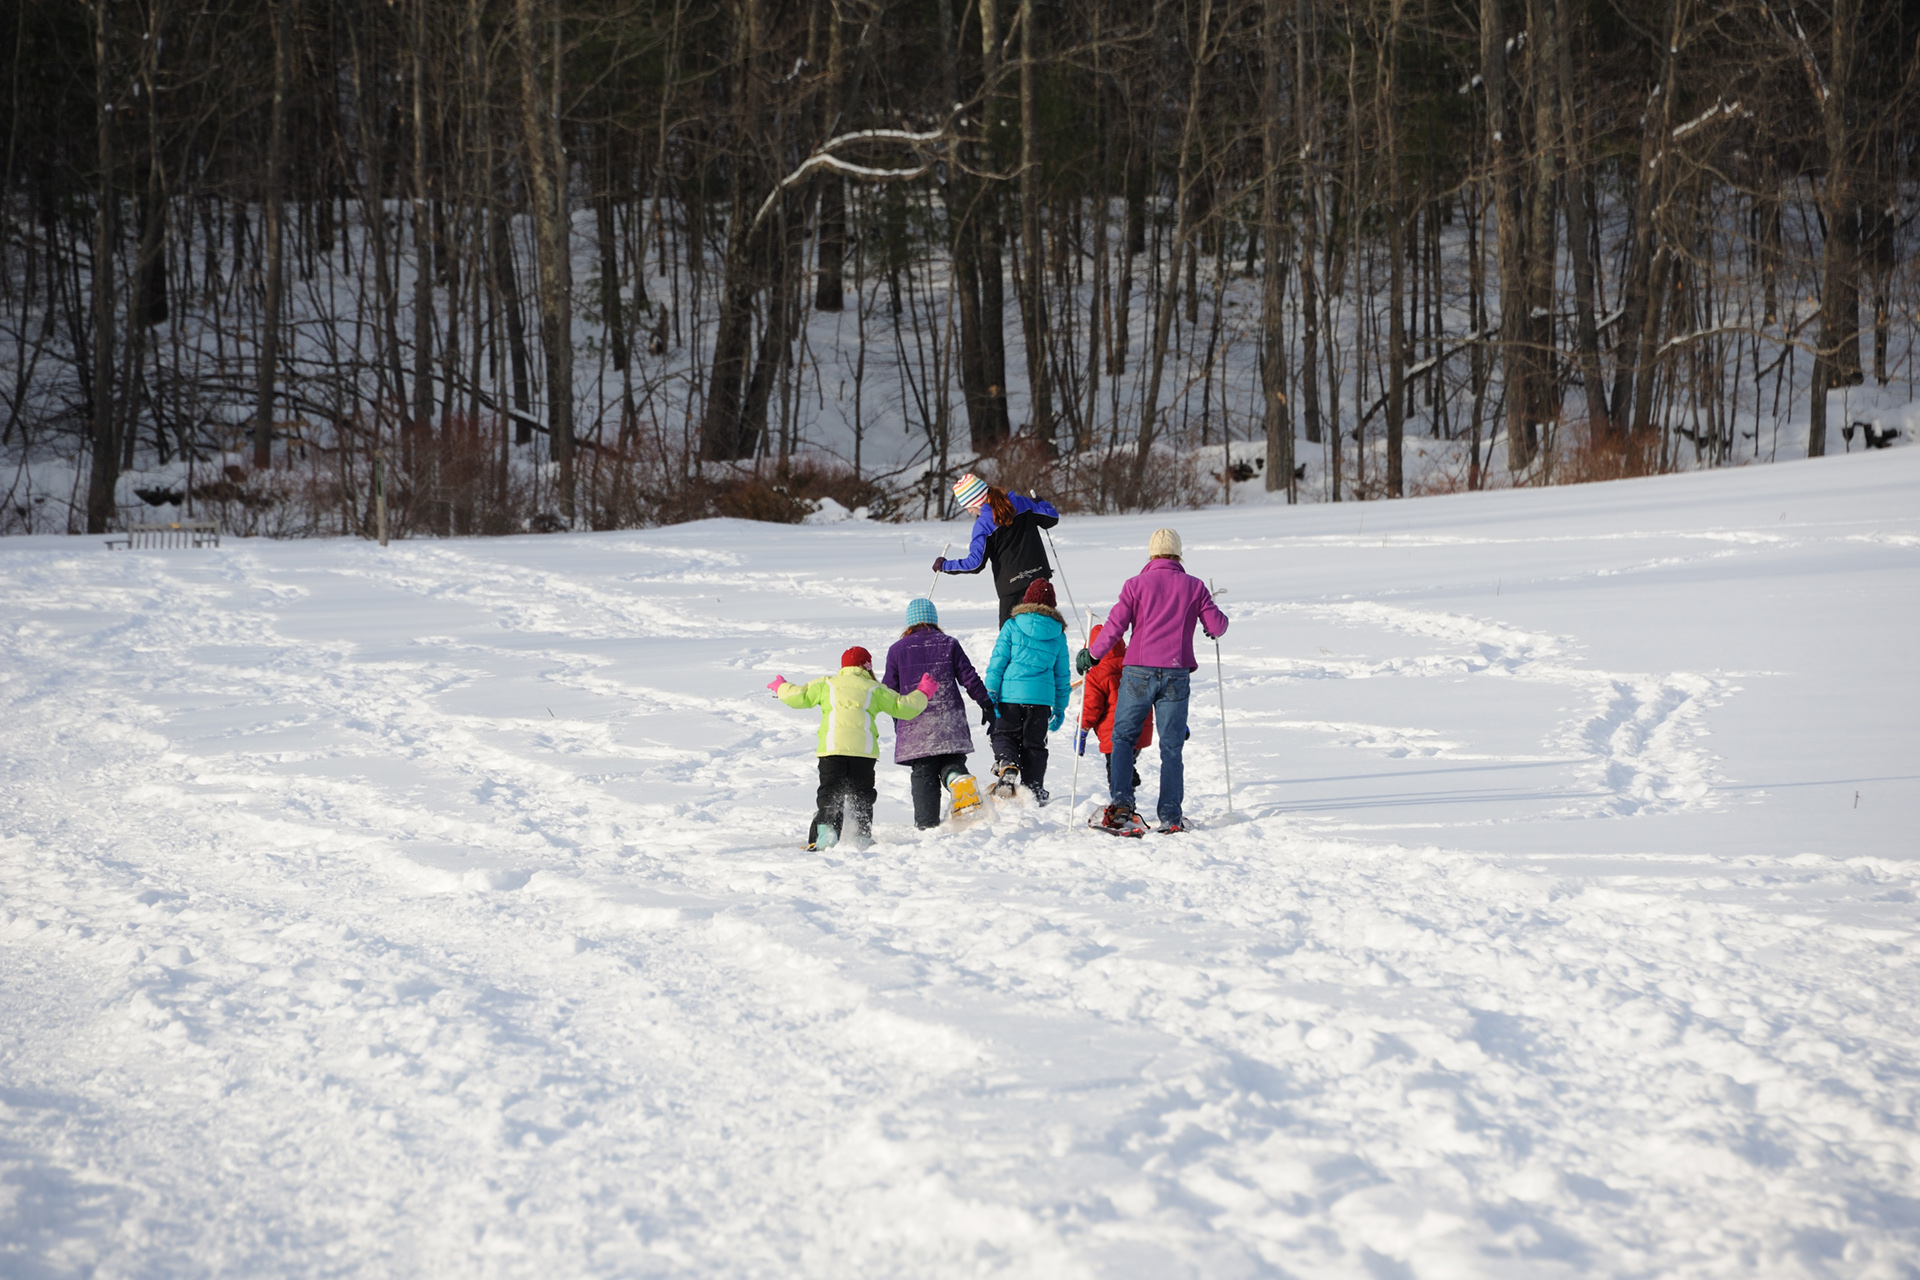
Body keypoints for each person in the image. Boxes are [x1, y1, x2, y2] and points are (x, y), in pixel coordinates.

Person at [1079, 528, 1228, 834]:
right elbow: (1218, 625)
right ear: (1178, 554)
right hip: (1176, 672)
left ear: (1151, 554)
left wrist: (1093, 656)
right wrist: (1212, 627)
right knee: (1171, 748)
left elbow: (1115, 625)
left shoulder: (1135, 585)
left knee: (1122, 739)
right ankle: (1171, 816)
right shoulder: (1195, 586)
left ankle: (1122, 806)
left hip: (1138, 671)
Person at [769, 648, 935, 849]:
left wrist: (781, 687)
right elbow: (903, 707)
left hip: (832, 750)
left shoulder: (827, 684)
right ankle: (861, 835)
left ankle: (828, 832)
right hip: (863, 753)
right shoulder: (874, 688)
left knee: (830, 791)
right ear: (867, 666)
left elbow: (799, 696)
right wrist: (923, 691)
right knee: (862, 793)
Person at [882, 599, 996, 829]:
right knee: (951, 760)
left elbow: (889, 690)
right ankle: (958, 780)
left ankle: (926, 825)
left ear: (909, 623)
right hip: (949, 719)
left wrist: (897, 717)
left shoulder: (897, 650)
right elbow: (968, 676)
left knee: (923, 770)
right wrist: (985, 702)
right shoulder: (949, 643)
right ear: (934, 620)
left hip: (915, 723)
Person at [983, 578, 1071, 804]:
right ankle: (1033, 788)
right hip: (1041, 702)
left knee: (1003, 734)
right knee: (1034, 745)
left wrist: (991, 691)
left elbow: (998, 661)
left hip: (1009, 697)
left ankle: (1008, 763)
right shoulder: (1058, 635)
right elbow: (1062, 675)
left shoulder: (1012, 626)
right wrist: (1060, 707)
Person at [932, 473, 1061, 625]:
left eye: (969, 506)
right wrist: (1041, 503)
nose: (969, 511)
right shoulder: (1021, 503)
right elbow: (1051, 518)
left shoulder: (983, 525)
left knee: (1011, 641)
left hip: (1011, 591)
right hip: (1040, 584)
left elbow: (975, 564)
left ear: (977, 501)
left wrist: (945, 565)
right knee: (1046, 633)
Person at [1075, 621, 1150, 795]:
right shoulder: (1132, 663)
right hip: (1139, 728)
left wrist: (1082, 728)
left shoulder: (1096, 672)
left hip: (1114, 733)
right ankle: (1129, 780)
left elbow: (1091, 705)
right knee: (1126, 761)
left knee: (1115, 769)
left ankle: (1122, 804)